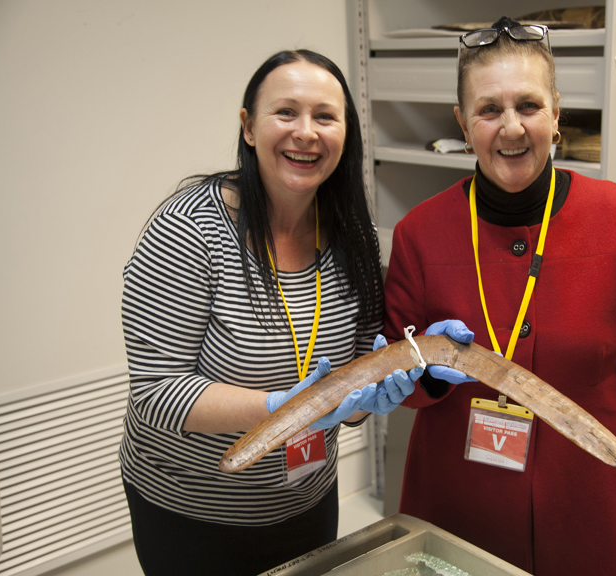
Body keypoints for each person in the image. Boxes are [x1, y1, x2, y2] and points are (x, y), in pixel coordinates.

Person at [383, 17, 616, 576]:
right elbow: (399, 377)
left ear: (556, 113)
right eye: (489, 110)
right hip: (462, 508)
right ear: (463, 124)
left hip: (589, 509)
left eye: (529, 106)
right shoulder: (420, 233)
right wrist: (429, 372)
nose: (511, 127)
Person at [119, 50, 421, 576]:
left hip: (303, 499)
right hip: (191, 510)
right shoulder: (190, 229)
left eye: (325, 117)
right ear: (249, 128)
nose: (306, 132)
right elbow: (155, 391)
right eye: (286, 113)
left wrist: (369, 395)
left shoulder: (356, 241)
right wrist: (288, 406)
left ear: (346, 133)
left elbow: (346, 396)